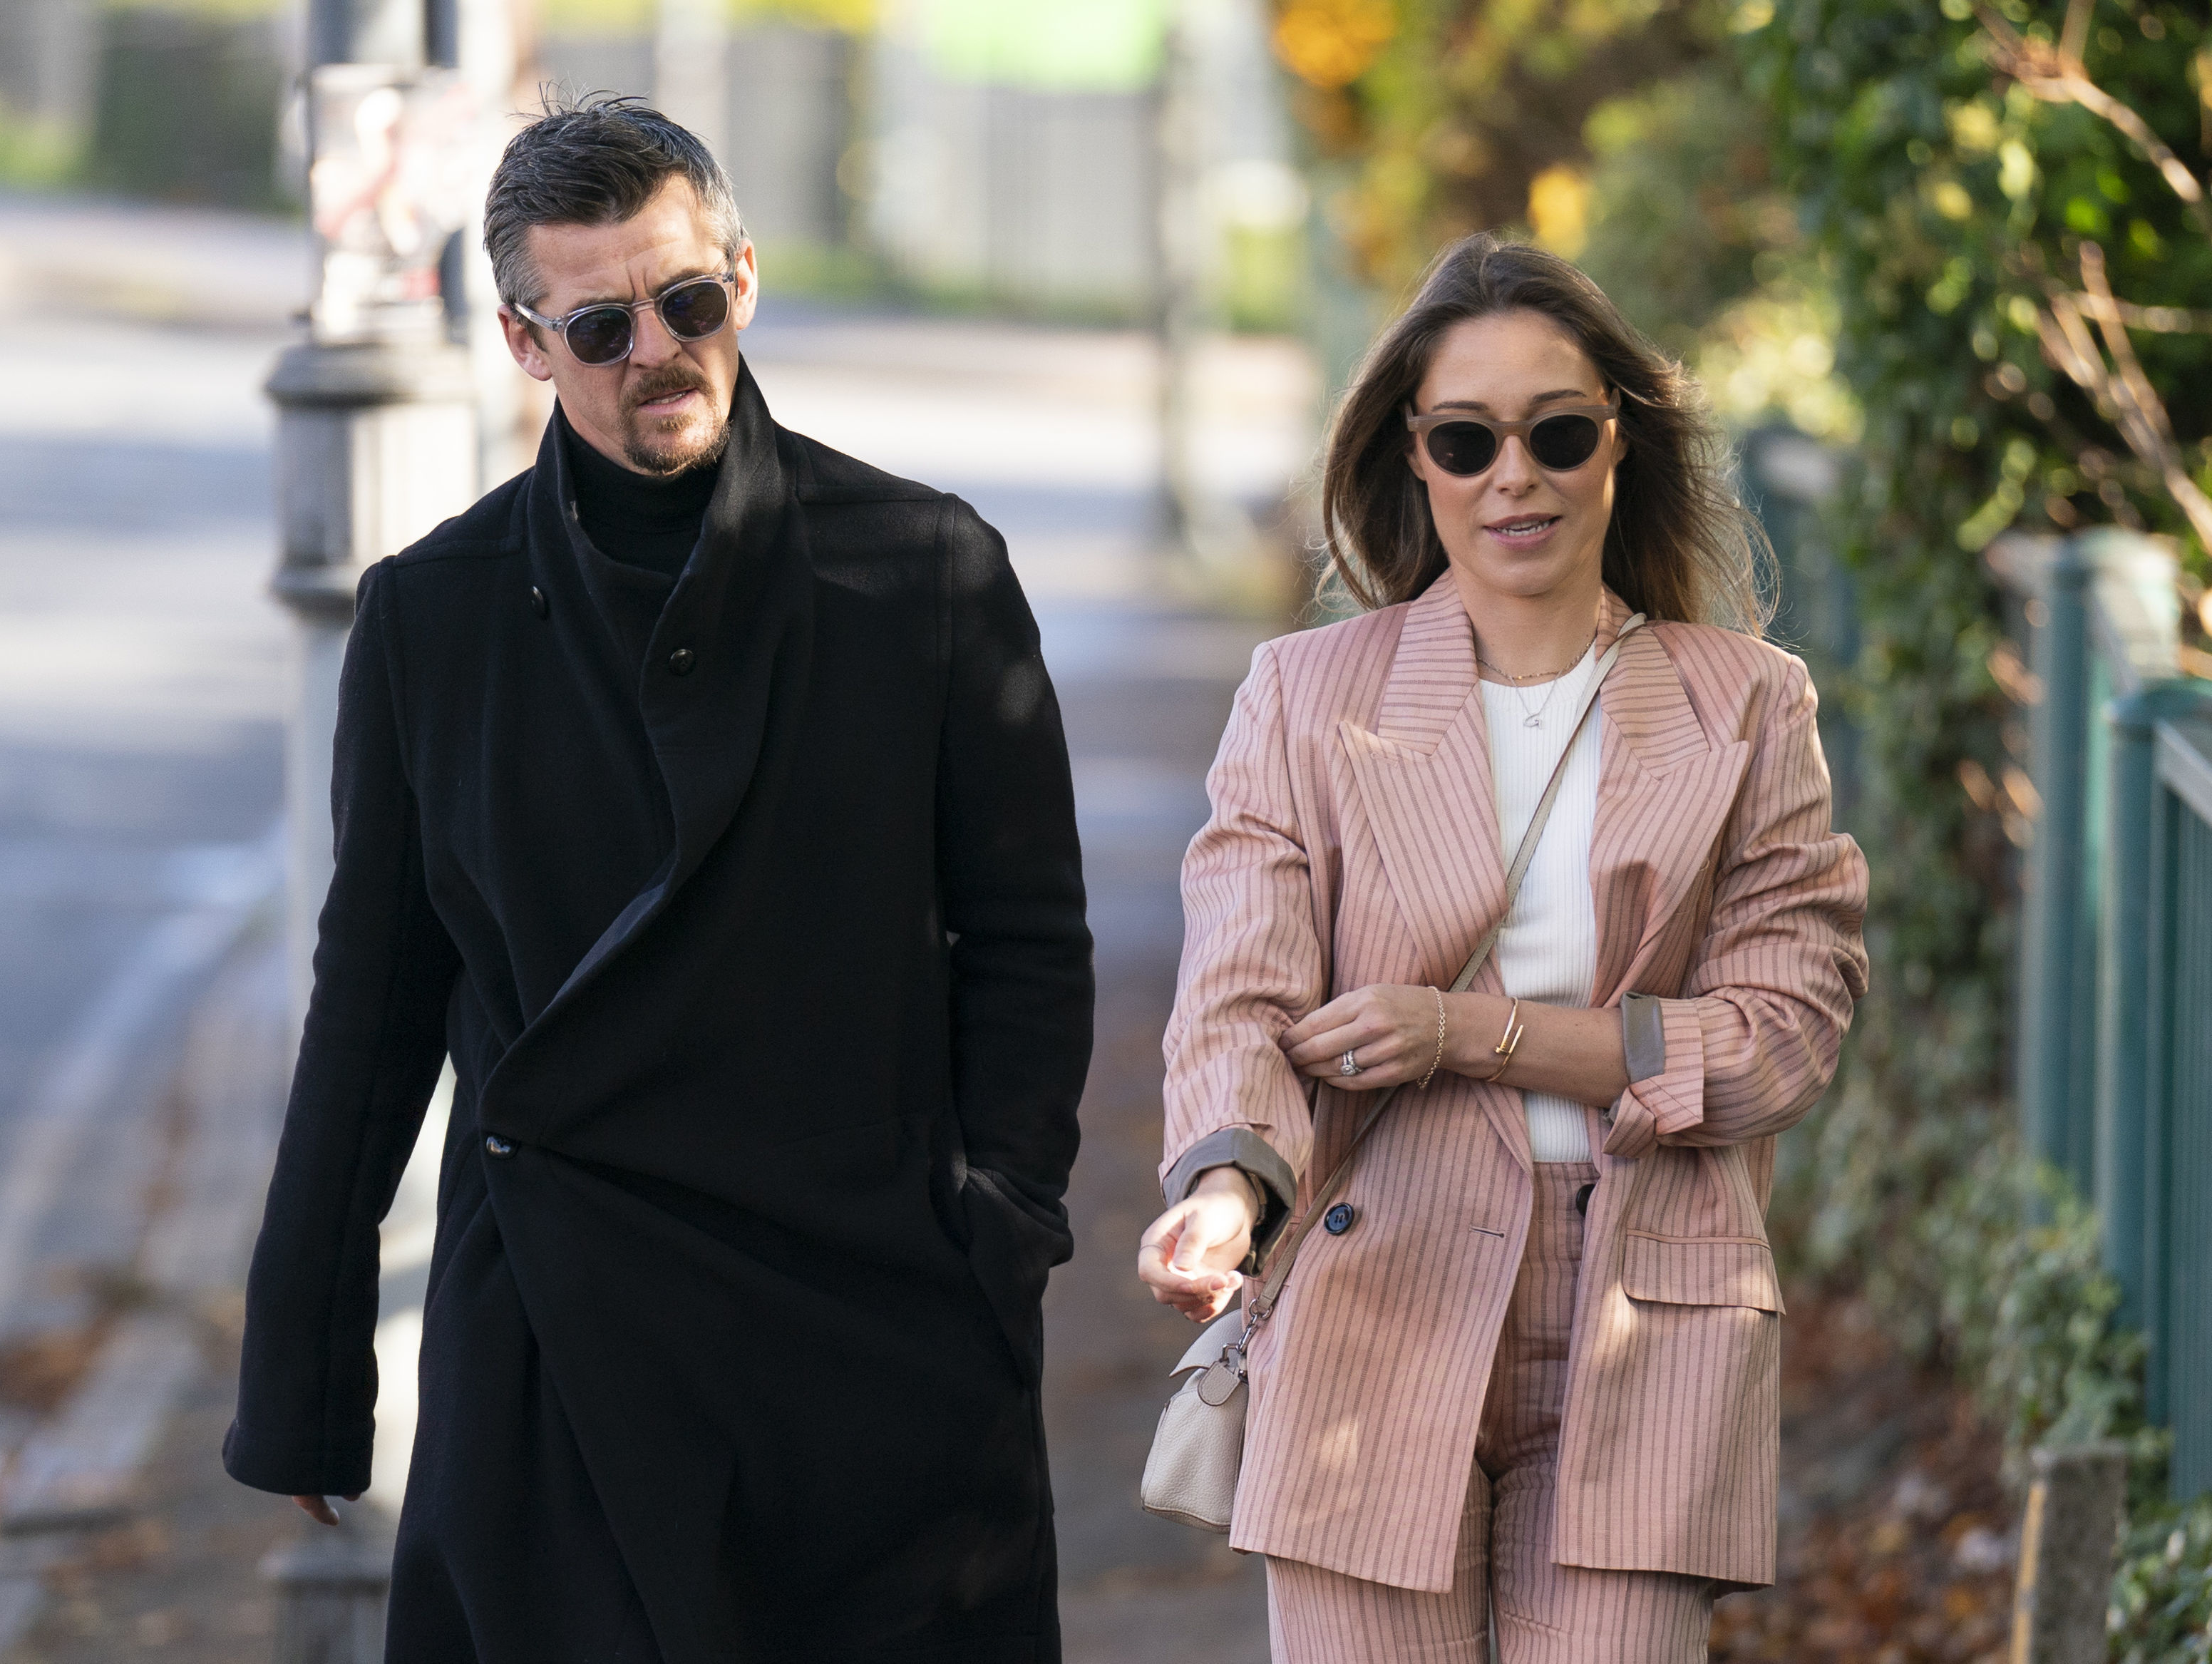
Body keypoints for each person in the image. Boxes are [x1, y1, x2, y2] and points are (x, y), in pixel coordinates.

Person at [225, 96, 1092, 1663]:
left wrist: (994, 1233)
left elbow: (1027, 942)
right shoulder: (434, 621)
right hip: (559, 1345)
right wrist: (306, 1367)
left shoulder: (922, 569)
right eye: (601, 323)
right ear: (521, 342)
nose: (657, 351)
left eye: (688, 302)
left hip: (870, 1330)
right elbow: (371, 1015)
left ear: (742, 282)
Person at [1136, 236, 1868, 1660]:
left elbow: (1785, 1031)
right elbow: (1241, 977)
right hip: (1372, 1287)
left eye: (1555, 431)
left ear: (1617, 440)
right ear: (1414, 461)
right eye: (1465, 440)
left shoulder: (1747, 705)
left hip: (1647, 1311)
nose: (1511, 475)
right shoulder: (1303, 696)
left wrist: (1467, 1030)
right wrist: (1226, 1189)